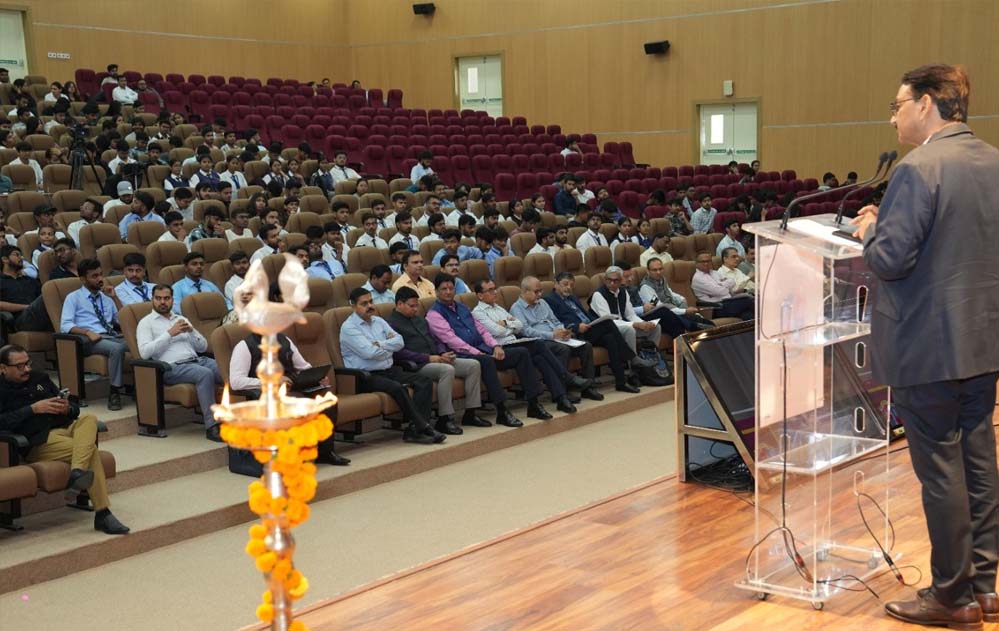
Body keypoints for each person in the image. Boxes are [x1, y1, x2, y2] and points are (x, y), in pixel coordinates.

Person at [844, 64, 999, 629]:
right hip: (982, 341)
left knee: (941, 471)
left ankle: (951, 597)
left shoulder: (919, 167)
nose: (894, 117)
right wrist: (887, 220)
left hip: (928, 347)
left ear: (927, 104)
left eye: (898, 105)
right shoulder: (992, 161)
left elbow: (890, 260)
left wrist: (871, 229)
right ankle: (984, 586)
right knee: (978, 461)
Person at [0, 344, 129, 535]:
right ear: (3, 368)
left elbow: (74, 409)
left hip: (67, 427)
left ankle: (77, 472)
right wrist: (32, 409)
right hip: (40, 440)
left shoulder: (40, 378)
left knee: (89, 419)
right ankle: (102, 512)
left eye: (28, 363)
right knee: (90, 450)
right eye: (20, 366)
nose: (26, 369)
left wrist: (67, 408)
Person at [228, 283, 348, 465]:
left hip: (293, 387)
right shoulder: (244, 346)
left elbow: (302, 366)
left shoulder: (285, 340)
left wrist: (316, 376)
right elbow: (236, 381)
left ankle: (325, 451)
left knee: (326, 399)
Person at [426, 273, 550, 425]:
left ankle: (534, 404)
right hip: (462, 355)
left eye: (451, 288)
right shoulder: (434, 314)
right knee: (486, 361)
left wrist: (495, 346)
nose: (448, 292)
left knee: (521, 353)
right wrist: (478, 352)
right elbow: (453, 341)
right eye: (444, 289)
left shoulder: (463, 308)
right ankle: (502, 411)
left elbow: (482, 330)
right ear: (436, 291)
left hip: (484, 350)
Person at [340, 287, 445, 444]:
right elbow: (369, 353)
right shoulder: (349, 328)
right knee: (398, 387)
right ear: (353, 306)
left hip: (388, 370)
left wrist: (380, 344)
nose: (370, 306)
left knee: (424, 381)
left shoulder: (379, 321)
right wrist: (388, 347)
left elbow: (400, 342)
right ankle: (423, 427)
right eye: (364, 303)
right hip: (365, 376)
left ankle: (414, 430)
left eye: (371, 301)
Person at [472, 279, 585, 413]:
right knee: (538, 344)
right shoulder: (477, 312)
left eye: (494, 288)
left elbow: (519, 325)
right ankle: (566, 377)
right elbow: (497, 331)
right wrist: (509, 325)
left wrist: (505, 324)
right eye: (490, 290)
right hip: (500, 348)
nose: (495, 292)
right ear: (480, 295)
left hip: (514, 342)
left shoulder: (498, 308)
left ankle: (561, 398)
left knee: (540, 358)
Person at [388, 287, 488, 435]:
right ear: (399, 304)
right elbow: (399, 353)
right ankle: (445, 418)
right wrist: (427, 358)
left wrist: (442, 352)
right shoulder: (391, 324)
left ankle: (470, 413)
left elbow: (436, 339)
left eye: (417, 306)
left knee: (473, 365)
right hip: (417, 365)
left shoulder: (420, 320)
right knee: (447, 370)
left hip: (437, 358)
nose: (416, 309)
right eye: (412, 306)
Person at [137, 285, 223, 439]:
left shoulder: (181, 319)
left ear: (172, 300)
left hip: (197, 360)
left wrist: (191, 331)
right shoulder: (146, 323)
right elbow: (144, 353)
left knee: (227, 369)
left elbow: (203, 346)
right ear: (152, 300)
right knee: (205, 374)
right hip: (171, 367)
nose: (162, 302)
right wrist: (169, 334)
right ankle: (212, 426)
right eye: (158, 298)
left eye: (166, 298)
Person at [544, 273, 642, 393]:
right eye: (565, 284)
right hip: (576, 333)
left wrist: (594, 322)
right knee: (608, 323)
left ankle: (621, 382)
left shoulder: (573, 297)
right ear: (556, 284)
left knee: (610, 338)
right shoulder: (549, 300)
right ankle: (632, 357)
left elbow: (585, 315)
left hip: (589, 328)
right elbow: (555, 322)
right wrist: (576, 327)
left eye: (571, 285)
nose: (568, 287)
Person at [510, 277, 604, 401]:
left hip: (556, 337)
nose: (540, 294)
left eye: (541, 291)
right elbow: (526, 331)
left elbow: (555, 321)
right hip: (540, 341)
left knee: (585, 346)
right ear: (525, 291)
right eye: (536, 291)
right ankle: (562, 392)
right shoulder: (516, 308)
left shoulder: (542, 303)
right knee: (562, 349)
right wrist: (552, 335)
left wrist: (563, 331)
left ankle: (588, 387)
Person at [59, 259, 129, 410]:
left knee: (139, 344)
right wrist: (87, 332)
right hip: (88, 340)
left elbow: (122, 320)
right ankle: (114, 391)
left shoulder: (106, 297)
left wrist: (114, 297)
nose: (100, 279)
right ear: (83, 279)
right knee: (117, 349)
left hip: (111, 336)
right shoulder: (73, 298)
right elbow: (65, 325)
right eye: (94, 276)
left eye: (101, 275)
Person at [589, 266, 668, 386]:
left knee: (656, 327)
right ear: (605, 280)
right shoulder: (598, 295)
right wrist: (635, 324)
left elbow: (630, 314)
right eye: (609, 280)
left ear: (621, 281)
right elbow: (608, 321)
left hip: (624, 324)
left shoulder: (623, 292)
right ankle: (634, 369)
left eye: (616, 280)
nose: (612, 283)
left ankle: (651, 359)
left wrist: (643, 323)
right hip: (607, 329)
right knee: (630, 329)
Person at [0, 245, 52, 334]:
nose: (22, 258)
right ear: (5, 259)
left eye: (21, 255)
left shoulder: (29, 280)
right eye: (17, 255)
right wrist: (28, 307)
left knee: (51, 294)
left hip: (40, 315)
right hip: (19, 321)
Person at [691, 253, 754, 320]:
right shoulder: (698, 278)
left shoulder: (714, 272)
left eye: (708, 261)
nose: (706, 264)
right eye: (703, 261)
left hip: (728, 302)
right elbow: (720, 292)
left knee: (747, 314)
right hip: (715, 308)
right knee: (748, 301)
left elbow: (732, 281)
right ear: (696, 264)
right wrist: (723, 284)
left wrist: (721, 285)